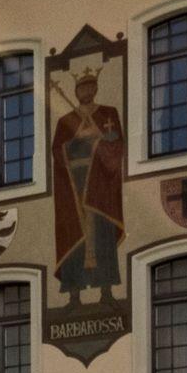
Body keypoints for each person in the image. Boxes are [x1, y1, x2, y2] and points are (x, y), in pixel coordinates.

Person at [49, 69, 124, 306]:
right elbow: (57, 151)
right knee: (73, 235)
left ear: (95, 88)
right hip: (74, 185)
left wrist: (99, 138)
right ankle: (74, 295)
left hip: (99, 187)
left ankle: (106, 292)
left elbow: (116, 145)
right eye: (82, 87)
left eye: (90, 86)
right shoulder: (65, 121)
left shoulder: (108, 113)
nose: (86, 91)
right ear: (76, 92)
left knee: (102, 235)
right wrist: (79, 139)